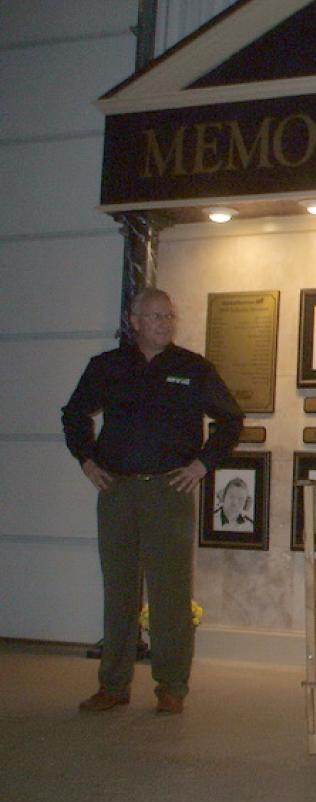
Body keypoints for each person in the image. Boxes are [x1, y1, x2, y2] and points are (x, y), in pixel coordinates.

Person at [62, 288, 244, 715]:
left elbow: (231, 419)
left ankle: (171, 686)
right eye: (157, 316)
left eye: (170, 316)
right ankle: (113, 685)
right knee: (119, 590)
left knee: (170, 592)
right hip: (117, 492)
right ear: (135, 321)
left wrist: (202, 464)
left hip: (169, 492)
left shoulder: (193, 368)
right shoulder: (107, 367)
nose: (165, 323)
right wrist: (86, 460)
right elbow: (74, 415)